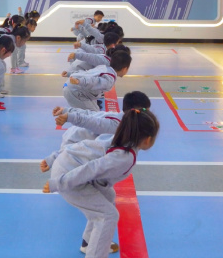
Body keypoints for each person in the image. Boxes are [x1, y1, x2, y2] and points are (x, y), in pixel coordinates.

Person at [42, 108, 160, 258]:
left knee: (108, 196)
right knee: (108, 216)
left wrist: (53, 158)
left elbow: (83, 147)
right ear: (148, 139)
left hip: (68, 165)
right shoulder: (124, 157)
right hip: (69, 175)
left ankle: (88, 243)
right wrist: (59, 183)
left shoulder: (120, 136)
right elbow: (91, 169)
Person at [43, 90, 151, 170]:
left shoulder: (118, 117)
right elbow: (91, 125)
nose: (148, 115)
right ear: (135, 111)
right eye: (145, 110)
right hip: (73, 141)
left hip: (74, 136)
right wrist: (69, 116)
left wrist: (67, 110)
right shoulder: (116, 125)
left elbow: (90, 114)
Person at [63, 51, 131, 111]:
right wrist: (80, 81)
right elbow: (94, 81)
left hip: (73, 88)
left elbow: (86, 73)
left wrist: (70, 74)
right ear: (124, 69)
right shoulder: (110, 79)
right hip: (76, 91)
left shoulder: (104, 67)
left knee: (95, 113)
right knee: (93, 117)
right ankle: (65, 113)